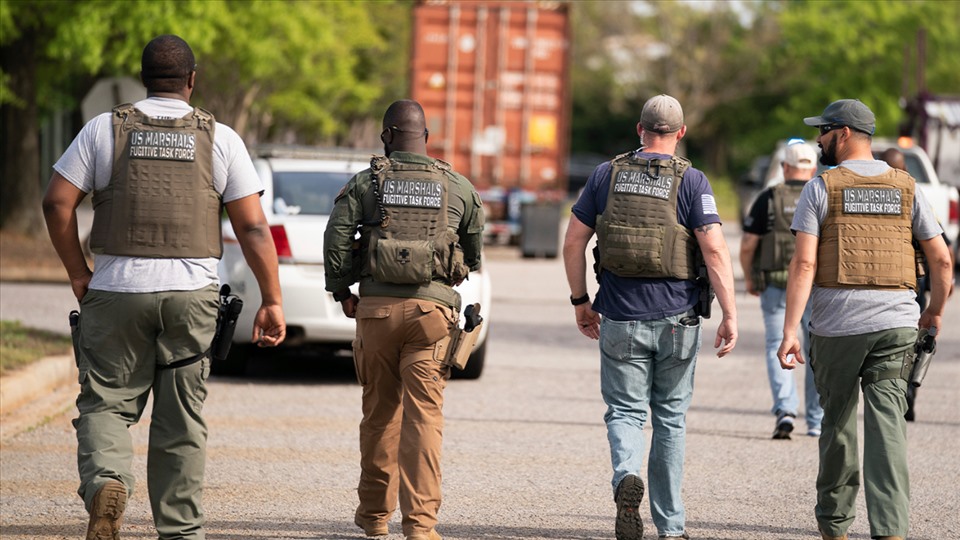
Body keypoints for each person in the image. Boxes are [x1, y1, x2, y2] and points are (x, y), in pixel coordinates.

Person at [42, 35, 286, 540]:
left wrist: (77, 272)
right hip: (191, 296)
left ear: (143, 78)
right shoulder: (221, 139)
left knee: (106, 404)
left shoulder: (104, 131)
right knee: (180, 422)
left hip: (115, 291)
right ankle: (179, 532)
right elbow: (255, 228)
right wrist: (272, 300)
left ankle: (108, 481)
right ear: (191, 81)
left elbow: (57, 203)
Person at [562, 94, 738, 540]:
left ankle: (625, 477)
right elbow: (714, 249)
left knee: (624, 410)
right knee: (671, 419)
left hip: (619, 315)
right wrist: (730, 314)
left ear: (639, 130)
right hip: (678, 319)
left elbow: (573, 242)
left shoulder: (606, 174)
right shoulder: (693, 181)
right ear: (680, 134)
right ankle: (671, 527)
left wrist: (580, 301)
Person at [777, 99, 951, 540]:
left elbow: (803, 266)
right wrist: (934, 311)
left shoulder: (822, 188)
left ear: (845, 133)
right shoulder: (908, 187)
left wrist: (789, 330)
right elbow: (942, 261)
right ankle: (891, 531)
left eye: (824, 130)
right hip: (896, 323)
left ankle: (834, 528)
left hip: (837, 326)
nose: (818, 139)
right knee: (888, 426)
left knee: (836, 424)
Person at [323, 99, 484, 540]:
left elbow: (336, 238)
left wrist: (342, 291)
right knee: (425, 418)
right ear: (426, 138)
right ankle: (420, 526)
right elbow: (473, 252)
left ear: (387, 137)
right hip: (433, 315)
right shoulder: (457, 185)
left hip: (375, 313)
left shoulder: (366, 183)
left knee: (379, 415)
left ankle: (376, 519)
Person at [740, 141, 823, 439]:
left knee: (778, 343)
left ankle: (785, 410)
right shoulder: (822, 194)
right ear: (812, 168)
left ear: (785, 167)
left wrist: (750, 277)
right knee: (816, 352)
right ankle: (816, 420)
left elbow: (749, 244)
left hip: (776, 285)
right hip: (816, 288)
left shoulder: (768, 197)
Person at [879, 147, 954, 422]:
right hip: (912, 287)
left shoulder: (871, 195)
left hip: (877, 286)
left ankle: (895, 395)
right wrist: (944, 284)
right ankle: (907, 394)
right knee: (913, 344)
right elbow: (943, 249)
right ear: (907, 170)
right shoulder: (915, 196)